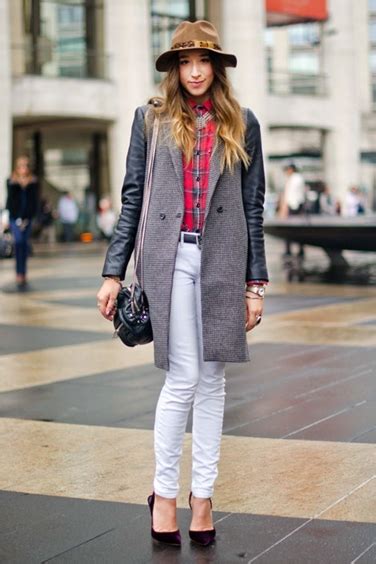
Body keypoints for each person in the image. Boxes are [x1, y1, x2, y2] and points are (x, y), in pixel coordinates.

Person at [97, 20, 268, 547]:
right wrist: (113, 271)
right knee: (183, 378)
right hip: (169, 261)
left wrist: (254, 284)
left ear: (217, 66)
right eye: (185, 62)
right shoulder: (150, 120)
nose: (195, 71)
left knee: (213, 380)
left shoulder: (242, 122)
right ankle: (165, 494)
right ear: (174, 68)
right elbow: (132, 198)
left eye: (204, 61)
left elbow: (251, 205)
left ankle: (204, 497)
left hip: (223, 260)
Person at [5, 156, 39, 289]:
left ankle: (23, 273)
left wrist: (30, 217)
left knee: (24, 245)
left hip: (28, 218)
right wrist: (12, 218)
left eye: (26, 166)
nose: (23, 168)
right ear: (17, 167)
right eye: (21, 166)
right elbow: (10, 201)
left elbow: (34, 202)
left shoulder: (33, 182)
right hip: (14, 218)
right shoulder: (11, 181)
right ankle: (18, 273)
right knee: (17, 243)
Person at [279, 163, 306, 256]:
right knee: (299, 229)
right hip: (298, 205)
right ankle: (299, 249)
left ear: (290, 169)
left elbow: (290, 195)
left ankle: (289, 250)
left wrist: (285, 208)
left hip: (294, 206)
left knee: (289, 229)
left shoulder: (294, 179)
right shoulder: (299, 178)